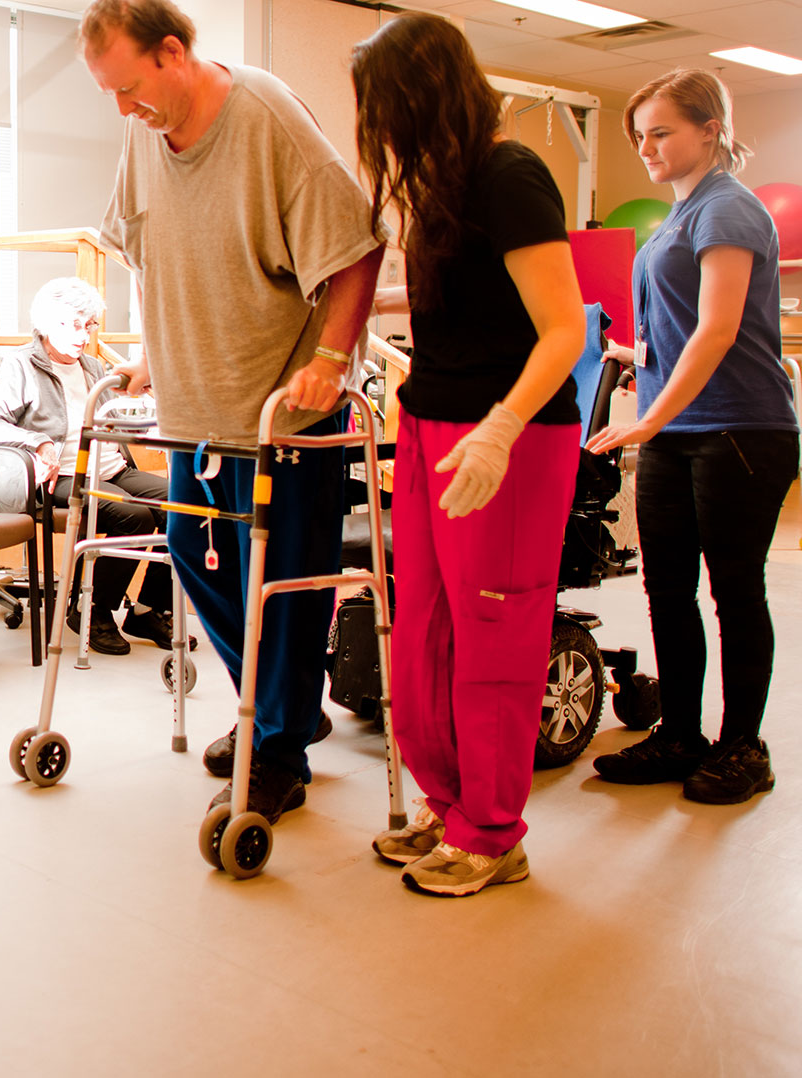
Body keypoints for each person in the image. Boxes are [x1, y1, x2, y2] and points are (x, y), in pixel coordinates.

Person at [80, 0, 384, 822]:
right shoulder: (144, 132)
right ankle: (282, 708)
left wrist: (329, 361)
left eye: (128, 87)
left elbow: (357, 246)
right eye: (107, 92)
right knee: (193, 553)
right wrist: (150, 346)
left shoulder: (266, 116)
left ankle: (277, 749)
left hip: (279, 414)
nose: (121, 110)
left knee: (280, 587)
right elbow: (145, 250)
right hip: (192, 408)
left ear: (173, 52)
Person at [351, 13, 585, 896]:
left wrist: (500, 426)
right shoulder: (443, 185)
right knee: (424, 634)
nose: (378, 129)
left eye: (382, 107)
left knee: (496, 629)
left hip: (511, 436)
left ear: (422, 95)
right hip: (428, 424)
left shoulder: (509, 175)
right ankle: (449, 808)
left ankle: (493, 832)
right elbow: (461, 296)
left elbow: (564, 329)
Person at [587, 70, 800, 805]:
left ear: (711, 128)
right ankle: (681, 733)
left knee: (734, 592)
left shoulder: (730, 210)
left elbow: (717, 327)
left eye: (662, 131)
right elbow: (674, 335)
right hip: (678, 428)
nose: (646, 146)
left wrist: (647, 417)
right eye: (639, 134)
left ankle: (744, 745)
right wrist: (629, 362)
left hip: (740, 429)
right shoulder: (677, 218)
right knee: (665, 589)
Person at [0, 277, 174, 656]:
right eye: (72, 324)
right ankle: (91, 609)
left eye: (89, 325)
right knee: (131, 515)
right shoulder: (22, 364)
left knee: (184, 503)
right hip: (63, 477)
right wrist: (38, 441)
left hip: (111, 468)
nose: (83, 335)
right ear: (47, 323)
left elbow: (112, 419)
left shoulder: (93, 366)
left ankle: (147, 608)